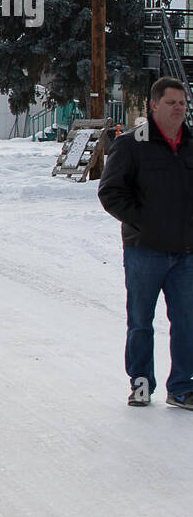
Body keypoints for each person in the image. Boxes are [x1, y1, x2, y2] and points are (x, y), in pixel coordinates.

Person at [98, 77, 193, 409]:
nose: (179, 107)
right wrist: (144, 222)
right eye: (172, 102)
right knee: (141, 322)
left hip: (185, 254)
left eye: (182, 102)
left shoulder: (191, 143)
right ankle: (140, 385)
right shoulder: (131, 144)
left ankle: (182, 387)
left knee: (187, 322)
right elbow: (110, 192)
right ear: (154, 106)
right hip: (144, 251)